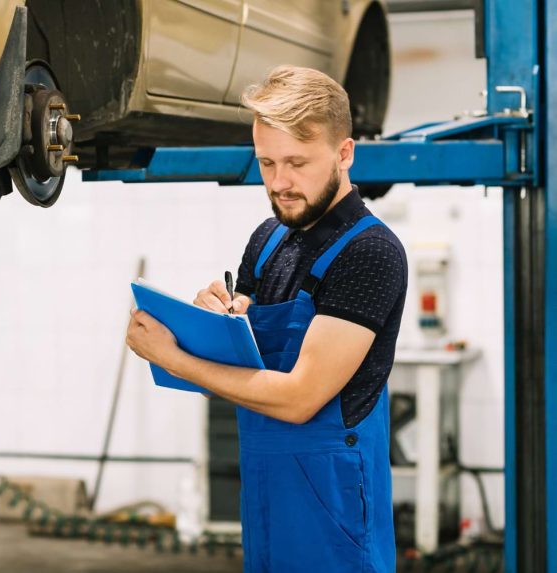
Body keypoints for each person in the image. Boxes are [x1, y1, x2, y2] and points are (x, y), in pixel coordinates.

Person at [125, 65, 407, 573]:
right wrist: (210, 324)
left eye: (297, 163)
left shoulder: (370, 253)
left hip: (333, 502)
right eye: (267, 163)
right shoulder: (269, 239)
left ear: (344, 154)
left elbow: (299, 398)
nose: (279, 183)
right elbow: (243, 371)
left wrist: (174, 360)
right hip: (265, 488)